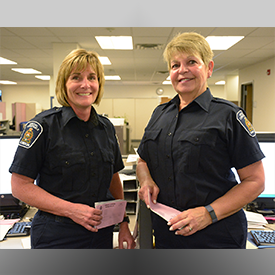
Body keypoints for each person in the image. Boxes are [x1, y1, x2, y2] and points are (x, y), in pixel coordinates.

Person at [137, 32, 265, 249]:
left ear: (209, 68)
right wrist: (146, 180)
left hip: (215, 238)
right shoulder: (160, 114)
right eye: (175, 65)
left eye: (192, 62)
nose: (182, 70)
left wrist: (208, 213)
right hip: (168, 235)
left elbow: (255, 181)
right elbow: (143, 161)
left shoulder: (228, 116)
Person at [9, 49, 135, 249]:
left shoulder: (106, 127)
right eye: (76, 77)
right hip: (56, 236)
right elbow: (20, 186)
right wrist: (71, 210)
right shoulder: (43, 126)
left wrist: (124, 222)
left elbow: (113, 179)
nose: (85, 85)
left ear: (99, 84)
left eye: (92, 77)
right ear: (64, 84)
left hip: (100, 235)